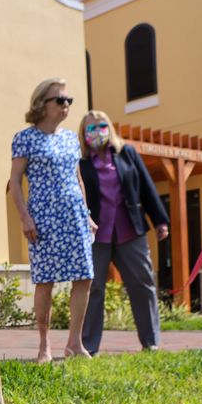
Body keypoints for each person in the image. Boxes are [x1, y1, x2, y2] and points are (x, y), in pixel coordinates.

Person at [9, 78, 97, 364]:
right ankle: (44, 345)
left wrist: (87, 215)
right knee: (45, 281)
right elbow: (15, 180)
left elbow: (78, 179)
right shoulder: (25, 138)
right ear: (41, 105)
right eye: (60, 100)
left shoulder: (71, 138)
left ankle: (74, 343)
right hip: (43, 218)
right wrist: (25, 218)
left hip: (74, 215)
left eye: (68, 100)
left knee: (84, 277)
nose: (66, 105)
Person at [78, 110, 169, 354]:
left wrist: (160, 220)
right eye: (91, 128)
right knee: (93, 288)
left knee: (143, 284)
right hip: (97, 235)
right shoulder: (81, 162)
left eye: (101, 126)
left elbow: (147, 187)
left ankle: (151, 342)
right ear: (84, 134)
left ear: (109, 128)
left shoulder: (126, 153)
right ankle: (88, 346)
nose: (97, 132)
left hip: (130, 230)